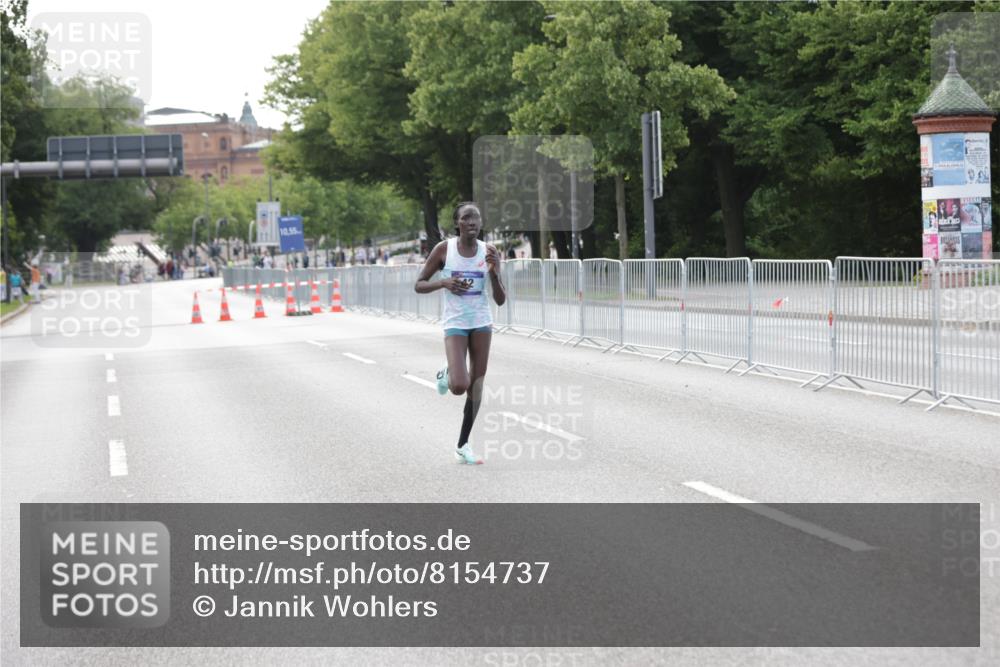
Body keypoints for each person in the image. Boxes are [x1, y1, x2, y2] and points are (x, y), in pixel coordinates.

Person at [415, 202, 506, 465]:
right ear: (458, 223)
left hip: (481, 322)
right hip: (455, 323)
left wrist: (495, 272)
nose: (472, 222)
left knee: (476, 386)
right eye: (467, 218)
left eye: (476, 218)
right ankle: (446, 373)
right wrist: (444, 282)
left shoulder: (489, 251)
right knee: (459, 386)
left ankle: (463, 445)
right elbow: (418, 284)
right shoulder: (445, 250)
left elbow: (500, 300)